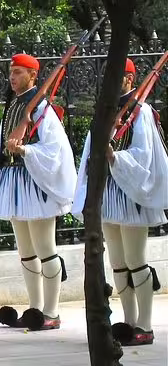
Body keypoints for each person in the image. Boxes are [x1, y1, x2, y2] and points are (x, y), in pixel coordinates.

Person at [72, 58, 168, 346]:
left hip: (131, 194)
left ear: (129, 79)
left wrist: (116, 157)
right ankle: (127, 322)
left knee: (136, 261)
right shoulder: (105, 112)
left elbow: (144, 155)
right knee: (117, 263)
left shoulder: (141, 112)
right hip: (109, 194)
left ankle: (146, 326)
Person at [0, 53, 77, 331]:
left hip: (35, 185)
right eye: (11, 72)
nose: (12, 78)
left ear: (33, 76)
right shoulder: (13, 104)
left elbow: (56, 149)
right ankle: (35, 308)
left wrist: (25, 150)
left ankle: (52, 311)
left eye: (17, 72)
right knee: (26, 252)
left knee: (45, 250)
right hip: (14, 182)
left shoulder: (41, 108)